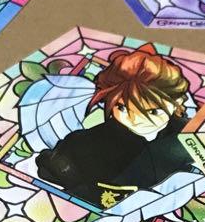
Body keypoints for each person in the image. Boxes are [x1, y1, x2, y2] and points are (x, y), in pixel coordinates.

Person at [35, 45, 195, 209]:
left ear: (177, 102)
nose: (135, 120)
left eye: (153, 112)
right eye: (122, 108)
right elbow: (51, 171)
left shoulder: (192, 136)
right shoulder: (84, 144)